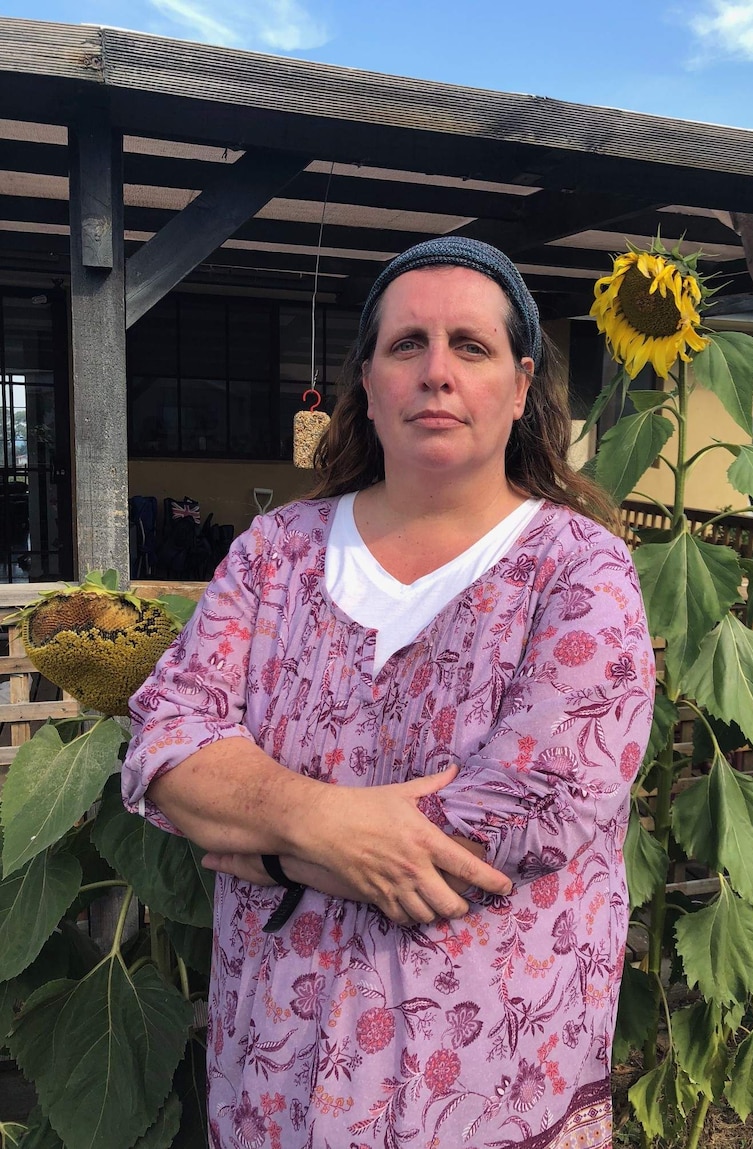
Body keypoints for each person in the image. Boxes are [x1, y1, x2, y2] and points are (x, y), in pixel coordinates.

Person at [123, 237, 655, 1149]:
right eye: (407, 345)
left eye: (471, 346)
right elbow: (167, 744)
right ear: (366, 383)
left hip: (493, 1083)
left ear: (522, 387)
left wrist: (276, 851)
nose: (437, 372)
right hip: (275, 1079)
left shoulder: (580, 570)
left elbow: (526, 815)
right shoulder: (274, 553)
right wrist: (325, 821)